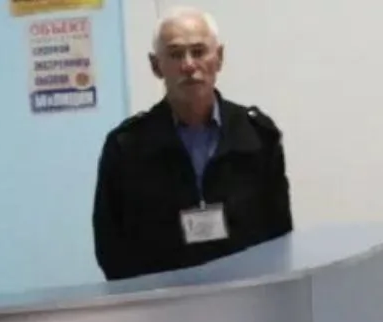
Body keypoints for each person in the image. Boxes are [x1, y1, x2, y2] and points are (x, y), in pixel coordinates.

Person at [92, 7, 292, 282]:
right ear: (155, 65)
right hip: (164, 301)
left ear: (219, 58)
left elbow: (280, 235)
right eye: (175, 54)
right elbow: (111, 248)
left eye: (198, 52)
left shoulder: (257, 135)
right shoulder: (126, 147)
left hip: (246, 296)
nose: (188, 65)